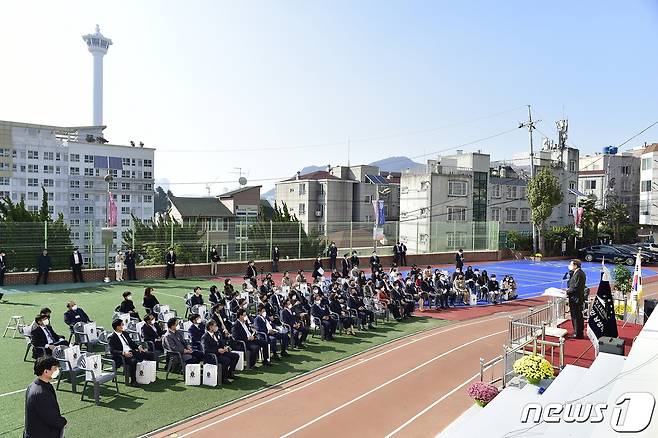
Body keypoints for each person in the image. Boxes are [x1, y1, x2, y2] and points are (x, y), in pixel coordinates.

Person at [24, 356, 67, 438]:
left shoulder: (34, 386)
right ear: (46, 371)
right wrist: (63, 422)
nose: (57, 370)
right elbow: (50, 418)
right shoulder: (40, 393)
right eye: (54, 368)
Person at [108, 319, 155, 386]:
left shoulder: (125, 333)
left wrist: (138, 347)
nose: (124, 325)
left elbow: (131, 343)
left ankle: (151, 374)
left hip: (131, 352)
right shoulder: (111, 337)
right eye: (122, 324)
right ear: (118, 327)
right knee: (133, 361)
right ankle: (133, 381)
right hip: (121, 356)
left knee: (150, 355)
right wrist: (123, 353)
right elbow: (112, 350)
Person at [566, 259, 586, 339]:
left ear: (575, 265)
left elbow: (576, 287)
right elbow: (571, 284)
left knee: (576, 316)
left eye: (571, 264)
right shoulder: (575, 273)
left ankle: (577, 334)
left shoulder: (579, 274)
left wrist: (567, 292)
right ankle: (578, 332)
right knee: (577, 316)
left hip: (576, 299)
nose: (570, 266)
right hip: (574, 298)